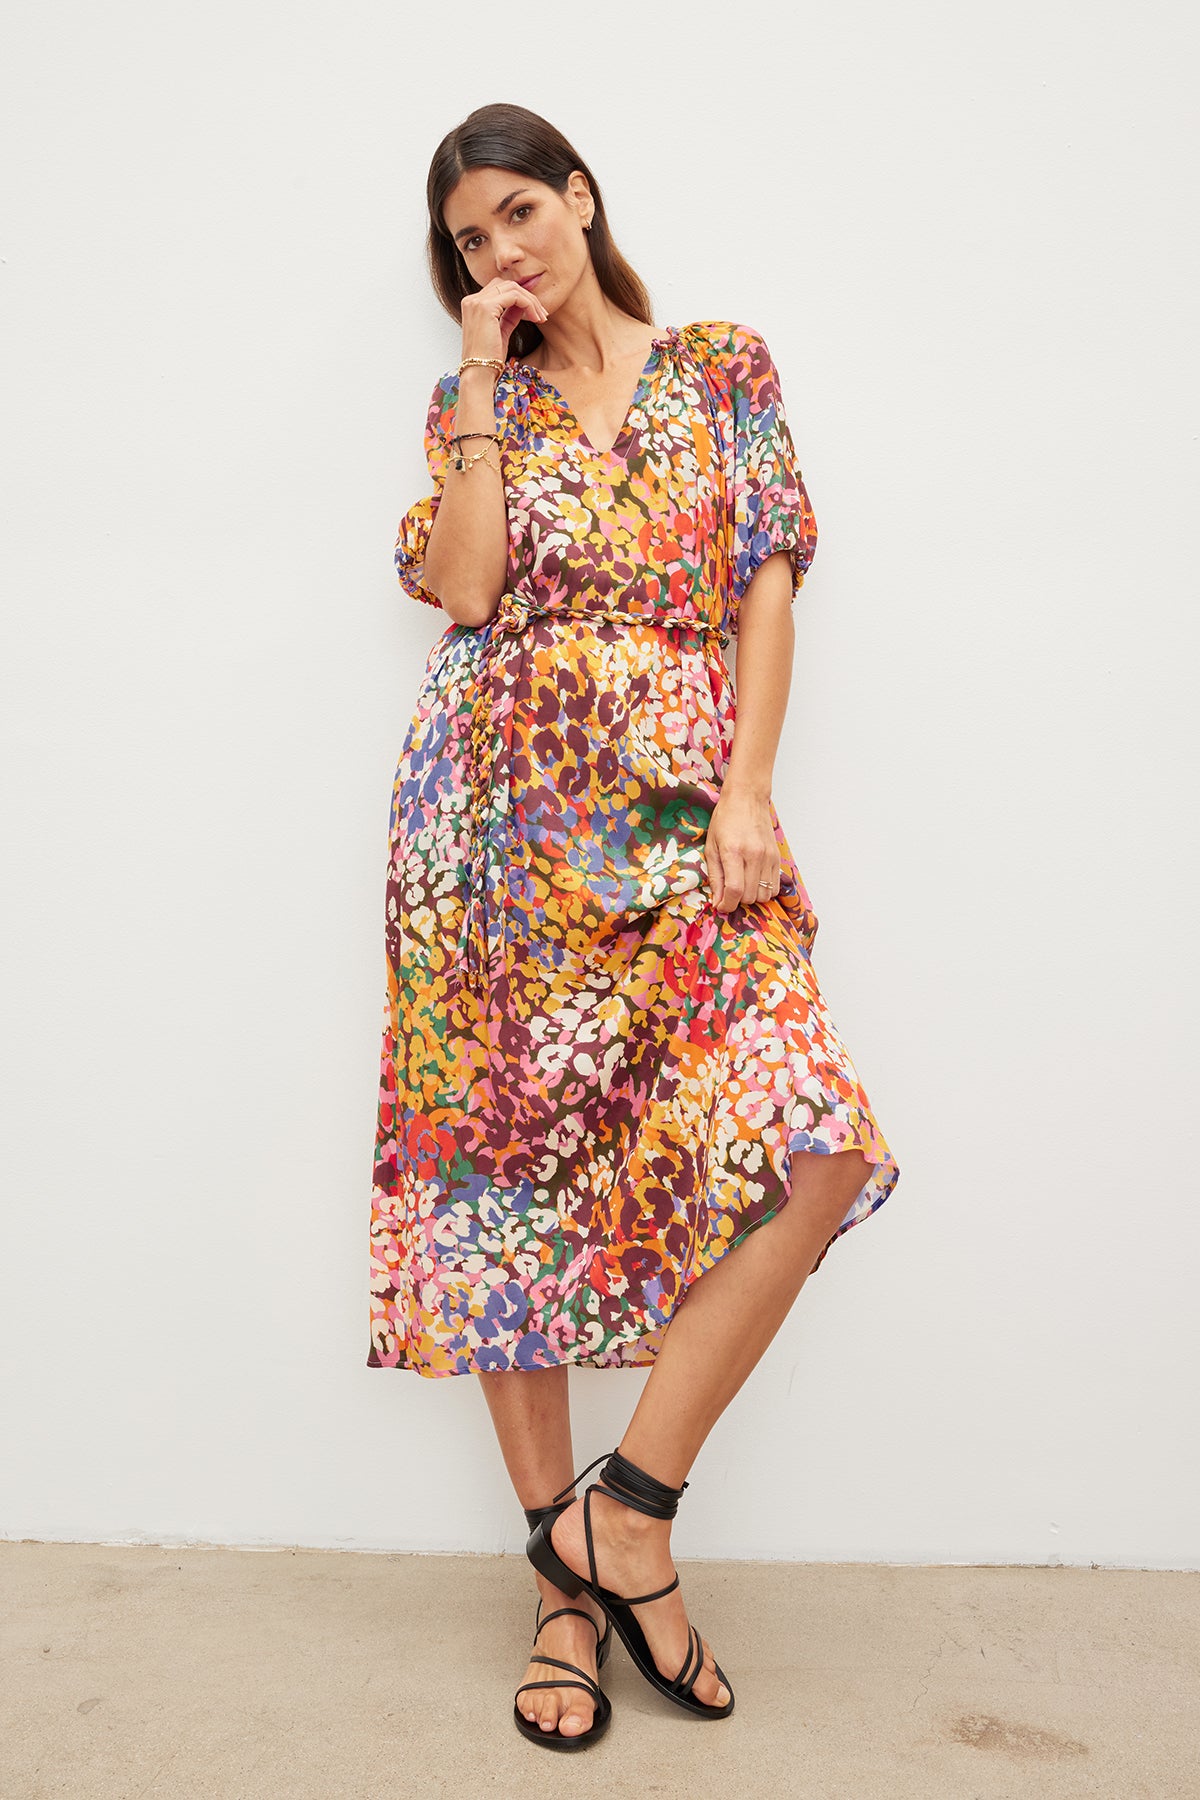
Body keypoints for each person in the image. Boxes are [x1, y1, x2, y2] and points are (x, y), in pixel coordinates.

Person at [368, 102, 900, 1751]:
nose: (504, 252)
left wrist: (748, 791)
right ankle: (566, 1594)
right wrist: (473, 378)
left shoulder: (726, 365)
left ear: (584, 199)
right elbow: (464, 593)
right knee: (505, 1206)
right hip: (495, 843)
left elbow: (765, 582)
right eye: (471, 240)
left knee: (815, 1145)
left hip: (688, 826)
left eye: (521, 212)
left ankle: (629, 1513)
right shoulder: (481, 411)